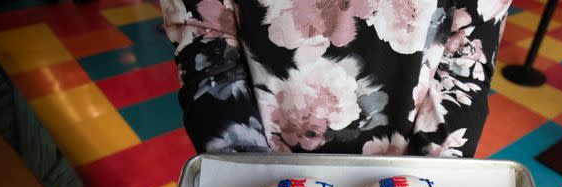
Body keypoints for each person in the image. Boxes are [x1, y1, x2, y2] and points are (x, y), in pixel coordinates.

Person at [161, 0, 512, 157]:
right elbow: (207, 46)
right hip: (263, 157)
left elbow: (465, 62)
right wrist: (249, 178)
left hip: (411, 168)